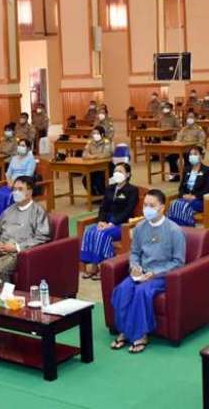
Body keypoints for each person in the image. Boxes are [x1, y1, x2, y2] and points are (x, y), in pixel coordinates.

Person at [109, 190, 186, 354]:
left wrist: (154, 273)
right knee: (123, 289)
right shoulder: (140, 227)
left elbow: (178, 262)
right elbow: (135, 253)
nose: (147, 209)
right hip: (141, 273)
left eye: (152, 205)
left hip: (162, 275)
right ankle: (124, 331)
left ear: (162, 208)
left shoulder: (174, 230)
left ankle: (141, 335)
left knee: (142, 292)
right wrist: (135, 267)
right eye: (145, 205)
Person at [80, 163, 139, 279]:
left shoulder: (132, 190)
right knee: (90, 231)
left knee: (102, 234)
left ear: (127, 174)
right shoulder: (109, 188)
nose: (117, 173)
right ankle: (94, 266)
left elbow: (128, 211)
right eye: (115, 171)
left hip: (121, 224)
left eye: (120, 171)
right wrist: (101, 221)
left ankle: (104, 267)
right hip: (105, 222)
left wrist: (111, 224)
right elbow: (103, 208)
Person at [168, 146, 209, 226]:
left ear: (201, 156)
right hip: (185, 198)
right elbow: (181, 188)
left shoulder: (207, 171)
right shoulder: (187, 170)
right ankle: (174, 228)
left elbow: (207, 190)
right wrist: (183, 195)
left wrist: (195, 196)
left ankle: (186, 228)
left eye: (195, 154)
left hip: (200, 200)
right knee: (174, 204)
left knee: (183, 206)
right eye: (191, 154)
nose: (192, 156)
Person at [165, 112, 206, 181]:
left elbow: (201, 142)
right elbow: (178, 139)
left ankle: (188, 175)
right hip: (183, 148)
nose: (189, 119)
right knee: (171, 156)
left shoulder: (199, 129)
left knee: (188, 156)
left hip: (194, 148)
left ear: (195, 119)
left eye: (191, 117)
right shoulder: (184, 129)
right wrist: (176, 143)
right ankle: (175, 176)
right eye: (188, 117)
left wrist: (195, 149)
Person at [82, 125, 113, 196]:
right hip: (93, 167)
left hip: (106, 167)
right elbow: (84, 154)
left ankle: (103, 196)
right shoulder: (90, 142)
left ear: (102, 135)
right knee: (85, 180)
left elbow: (106, 154)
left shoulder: (107, 142)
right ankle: (94, 196)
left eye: (97, 133)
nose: (95, 135)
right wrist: (94, 156)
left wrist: (92, 156)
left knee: (99, 180)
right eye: (94, 133)